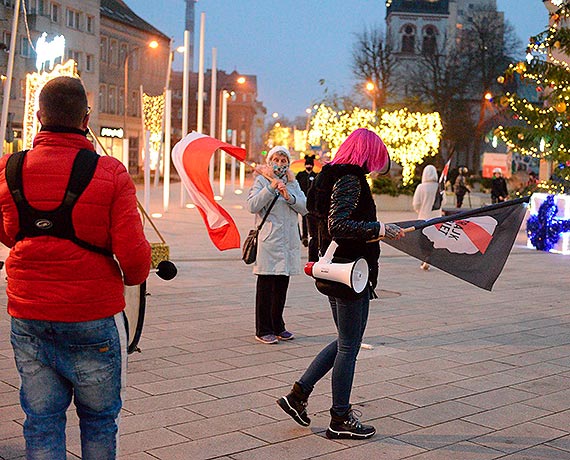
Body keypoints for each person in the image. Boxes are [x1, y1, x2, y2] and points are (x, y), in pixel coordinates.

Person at [0, 77, 151, 459]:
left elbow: (8, 233)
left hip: (29, 313)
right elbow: (135, 263)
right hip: (92, 314)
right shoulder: (111, 173)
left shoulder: (8, 169)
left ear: (38, 117)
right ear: (86, 118)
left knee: (41, 419)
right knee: (99, 421)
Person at [277, 128, 404, 440]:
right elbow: (340, 225)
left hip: (335, 270)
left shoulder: (328, 176)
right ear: (367, 153)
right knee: (349, 344)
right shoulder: (349, 178)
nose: (378, 162)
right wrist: (380, 228)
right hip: (349, 273)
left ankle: (298, 395)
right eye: (377, 155)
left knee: (347, 340)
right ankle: (340, 417)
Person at [247, 146, 307, 344]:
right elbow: (252, 205)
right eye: (276, 160)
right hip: (270, 241)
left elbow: (305, 207)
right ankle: (263, 328)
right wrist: (271, 188)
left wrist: (289, 197)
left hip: (288, 241)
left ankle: (278, 325)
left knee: (282, 285)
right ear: (269, 161)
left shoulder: (293, 182)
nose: (280, 164)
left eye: (283, 160)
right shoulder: (262, 180)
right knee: (266, 286)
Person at [413, 164, 444, 270]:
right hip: (437, 218)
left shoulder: (421, 187)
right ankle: (430, 257)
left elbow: (416, 203)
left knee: (423, 239)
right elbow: (444, 201)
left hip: (423, 217)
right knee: (433, 239)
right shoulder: (439, 187)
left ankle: (425, 258)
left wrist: (419, 210)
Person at [295, 154, 319, 261]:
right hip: (301, 200)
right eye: (307, 164)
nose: (309, 166)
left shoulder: (316, 175)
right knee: (301, 218)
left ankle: (309, 235)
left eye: (310, 164)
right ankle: (303, 236)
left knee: (309, 219)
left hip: (311, 202)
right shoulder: (300, 175)